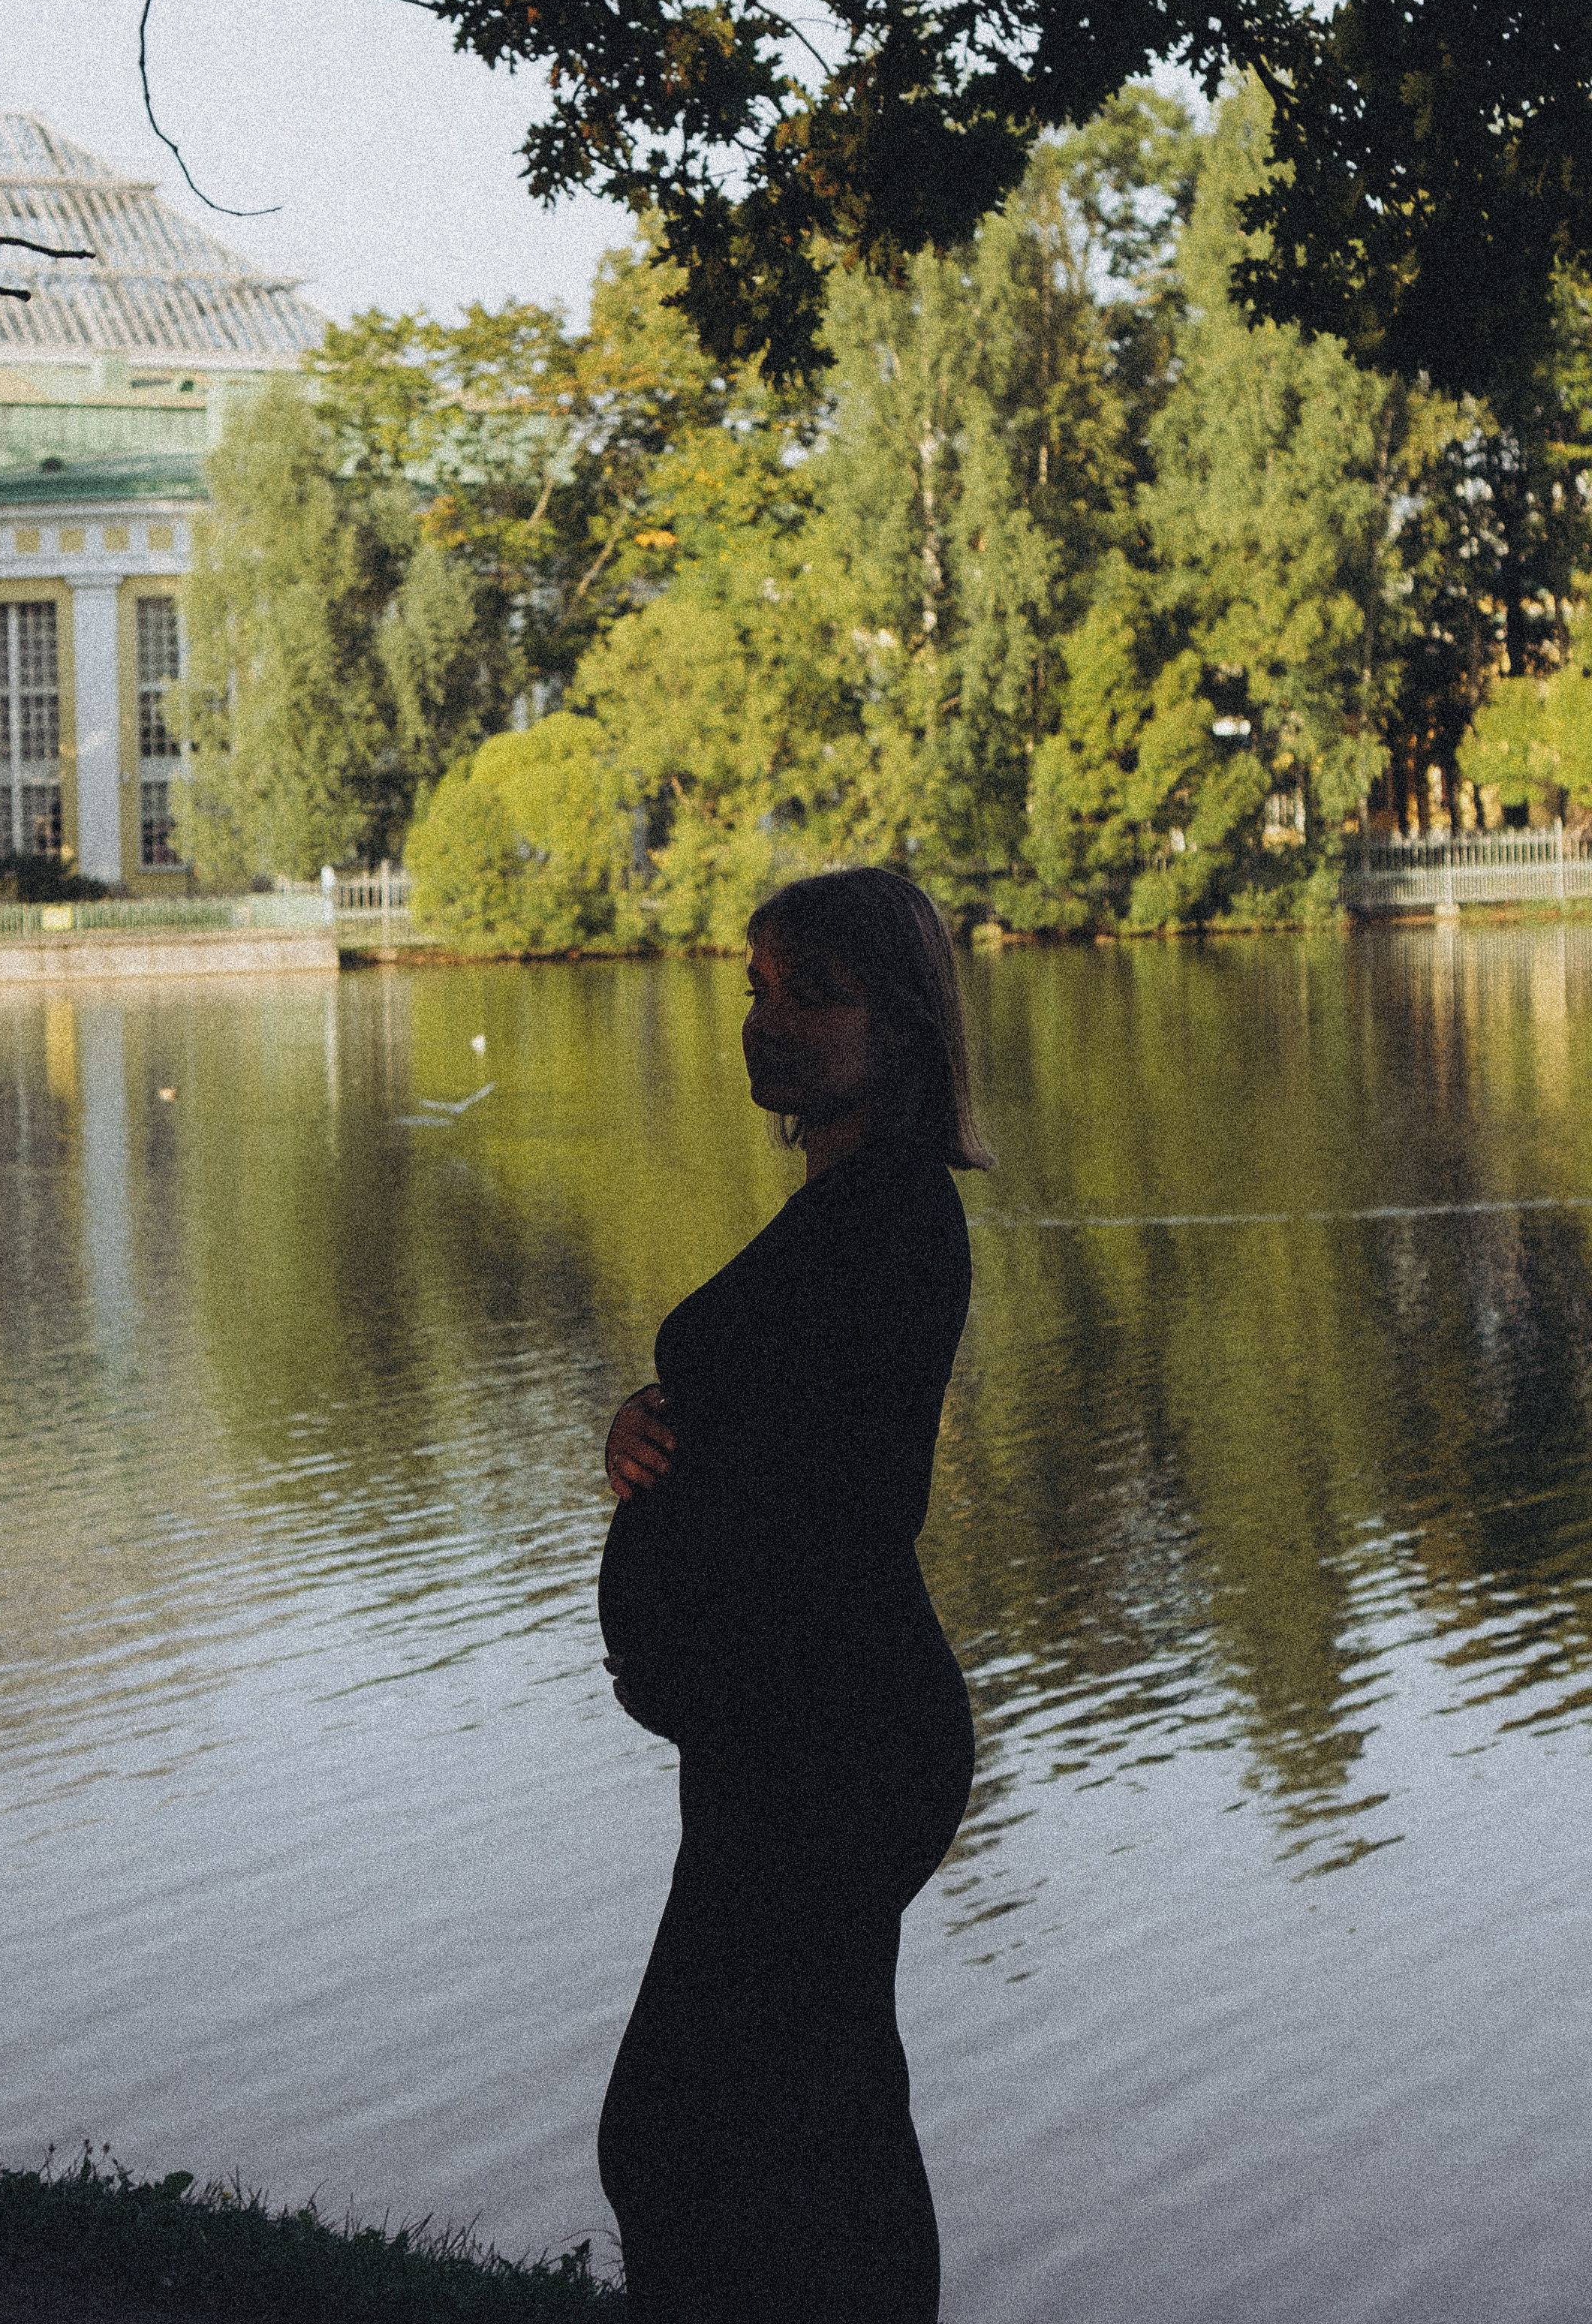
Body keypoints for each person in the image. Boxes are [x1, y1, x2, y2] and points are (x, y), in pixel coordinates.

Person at [595, 866, 992, 2324]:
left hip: (828, 1736)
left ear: (896, 1028)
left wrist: (688, 1472)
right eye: (756, 989)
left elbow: (837, 1494)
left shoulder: (892, 1218)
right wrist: (649, 1422)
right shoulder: (841, 1211)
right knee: (794, 2115)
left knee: (689, 2129)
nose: (766, 1023)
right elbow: (759, 1413)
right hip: (790, 1732)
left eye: (808, 995)